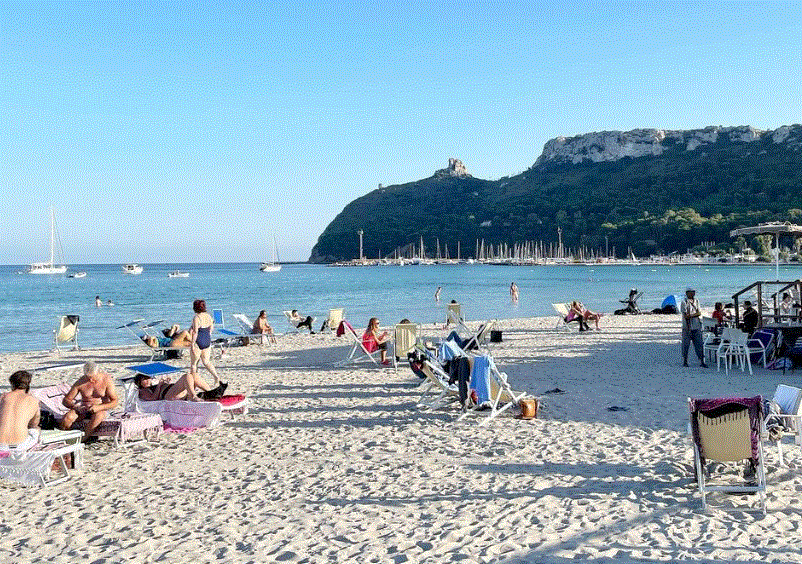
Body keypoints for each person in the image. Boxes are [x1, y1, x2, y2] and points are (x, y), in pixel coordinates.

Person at [61, 361, 120, 441]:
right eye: (88, 377)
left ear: (97, 372)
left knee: (98, 416)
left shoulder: (106, 380)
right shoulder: (80, 382)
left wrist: (99, 407)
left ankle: (83, 439)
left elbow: (115, 401)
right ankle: (67, 439)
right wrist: (75, 407)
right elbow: (66, 400)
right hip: (84, 408)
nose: (91, 380)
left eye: (93, 377)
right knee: (67, 418)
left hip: (101, 408)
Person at [0, 371, 41, 453]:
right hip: (21, 446)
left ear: (12, 384)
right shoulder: (34, 400)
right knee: (36, 429)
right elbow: (34, 424)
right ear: (28, 384)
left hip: (1, 446)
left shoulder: (3, 397)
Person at [190, 299, 222, 387]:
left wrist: (192, 344)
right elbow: (211, 328)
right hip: (207, 339)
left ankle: (193, 383)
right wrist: (208, 335)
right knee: (206, 362)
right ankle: (216, 377)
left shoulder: (196, 318)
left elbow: (195, 332)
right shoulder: (208, 316)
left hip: (198, 340)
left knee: (194, 364)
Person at [134, 371, 224, 402]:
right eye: (144, 379)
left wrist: (167, 383)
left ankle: (211, 393)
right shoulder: (142, 390)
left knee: (194, 374)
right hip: (168, 396)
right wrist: (159, 386)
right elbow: (153, 398)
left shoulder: (154, 385)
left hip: (173, 391)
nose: (147, 380)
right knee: (186, 376)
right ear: (139, 382)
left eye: (148, 378)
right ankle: (193, 396)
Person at [681, 288, 707, 368]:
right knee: (686, 345)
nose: (693, 294)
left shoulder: (696, 301)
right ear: (687, 293)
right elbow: (685, 315)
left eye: (694, 292)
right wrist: (693, 315)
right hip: (687, 327)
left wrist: (691, 315)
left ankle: (702, 361)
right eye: (691, 292)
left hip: (696, 326)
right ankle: (685, 361)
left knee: (699, 344)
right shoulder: (684, 302)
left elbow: (699, 313)